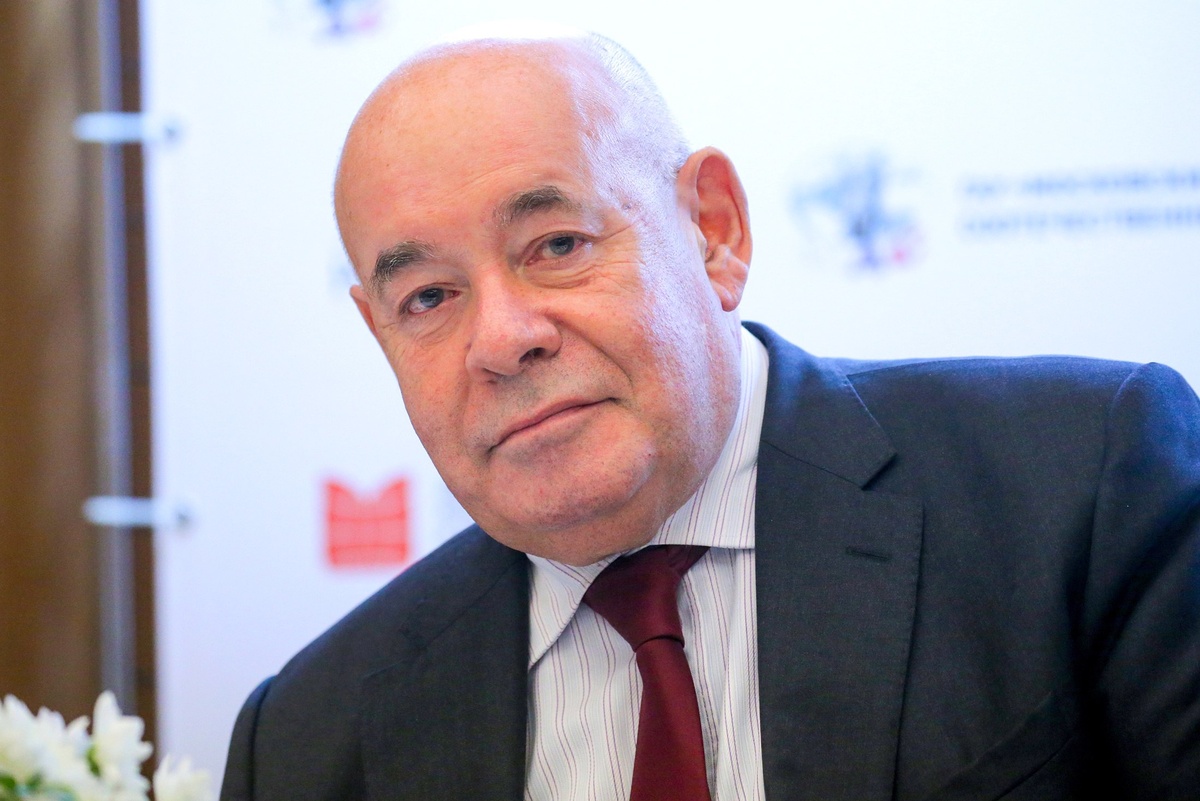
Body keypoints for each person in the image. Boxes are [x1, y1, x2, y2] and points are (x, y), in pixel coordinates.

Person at [220, 30, 1200, 801]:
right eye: (429, 297)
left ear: (714, 231)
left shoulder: (1082, 489)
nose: (503, 338)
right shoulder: (309, 739)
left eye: (556, 245)